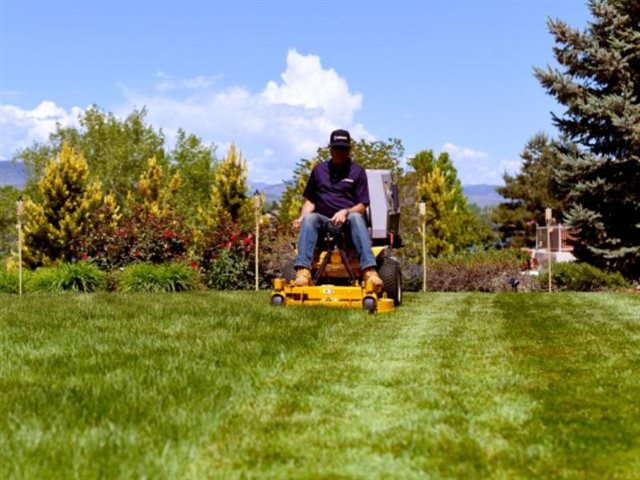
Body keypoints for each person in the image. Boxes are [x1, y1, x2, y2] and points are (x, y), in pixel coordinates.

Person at [292, 129, 383, 289]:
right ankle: (303, 272)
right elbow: (311, 200)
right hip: (324, 222)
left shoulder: (357, 172)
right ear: (330, 149)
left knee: (355, 217)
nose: (339, 152)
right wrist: (302, 217)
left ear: (349, 150)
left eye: (343, 149)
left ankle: (369, 271)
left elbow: (363, 205)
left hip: (348, 223)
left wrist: (346, 211)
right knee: (310, 218)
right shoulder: (319, 171)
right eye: (336, 148)